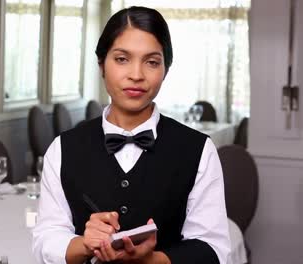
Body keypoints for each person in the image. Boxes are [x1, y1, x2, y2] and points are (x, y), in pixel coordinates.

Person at [32, 6, 230, 264]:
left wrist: (150, 261)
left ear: (166, 69)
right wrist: (85, 244)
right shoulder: (63, 148)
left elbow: (213, 250)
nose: (136, 75)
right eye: (122, 59)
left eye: (151, 62)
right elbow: (44, 240)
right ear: (102, 64)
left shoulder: (199, 150)